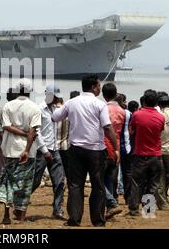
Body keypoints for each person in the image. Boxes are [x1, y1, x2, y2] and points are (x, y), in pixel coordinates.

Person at [52, 74, 118, 227]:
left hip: (76, 150)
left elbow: (55, 117)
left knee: (75, 185)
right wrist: (115, 148)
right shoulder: (99, 104)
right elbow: (107, 127)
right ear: (94, 87)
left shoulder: (71, 102)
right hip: (96, 150)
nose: (100, 88)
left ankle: (74, 219)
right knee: (98, 186)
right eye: (99, 86)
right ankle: (98, 220)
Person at [0, 78, 41, 224]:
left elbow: (6, 126)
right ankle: (21, 218)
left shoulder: (8, 106)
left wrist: (22, 133)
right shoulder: (35, 108)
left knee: (8, 181)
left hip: (10, 149)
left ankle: (6, 215)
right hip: (27, 151)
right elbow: (33, 131)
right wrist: (27, 148)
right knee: (25, 184)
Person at [31, 84, 66, 220]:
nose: (58, 100)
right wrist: (45, 150)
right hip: (42, 151)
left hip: (54, 149)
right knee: (35, 180)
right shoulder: (39, 109)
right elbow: (36, 132)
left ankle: (57, 210)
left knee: (59, 181)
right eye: (56, 97)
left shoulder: (54, 110)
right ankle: (19, 204)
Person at [128, 89, 165, 217]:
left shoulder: (137, 114)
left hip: (140, 154)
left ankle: (134, 209)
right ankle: (148, 210)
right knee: (153, 184)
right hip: (156, 154)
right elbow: (160, 131)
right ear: (156, 103)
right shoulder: (161, 117)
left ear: (144, 101)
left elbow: (131, 131)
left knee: (137, 182)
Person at [101, 83, 124, 219]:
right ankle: (110, 207)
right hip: (116, 149)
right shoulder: (122, 111)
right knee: (109, 179)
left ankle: (111, 203)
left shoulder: (103, 109)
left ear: (103, 95)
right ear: (116, 94)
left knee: (98, 179)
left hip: (104, 146)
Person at [115, 94, 132, 204]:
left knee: (112, 173)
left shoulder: (107, 110)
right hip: (126, 147)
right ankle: (128, 197)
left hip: (113, 146)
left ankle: (114, 196)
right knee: (127, 173)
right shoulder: (128, 113)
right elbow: (131, 130)